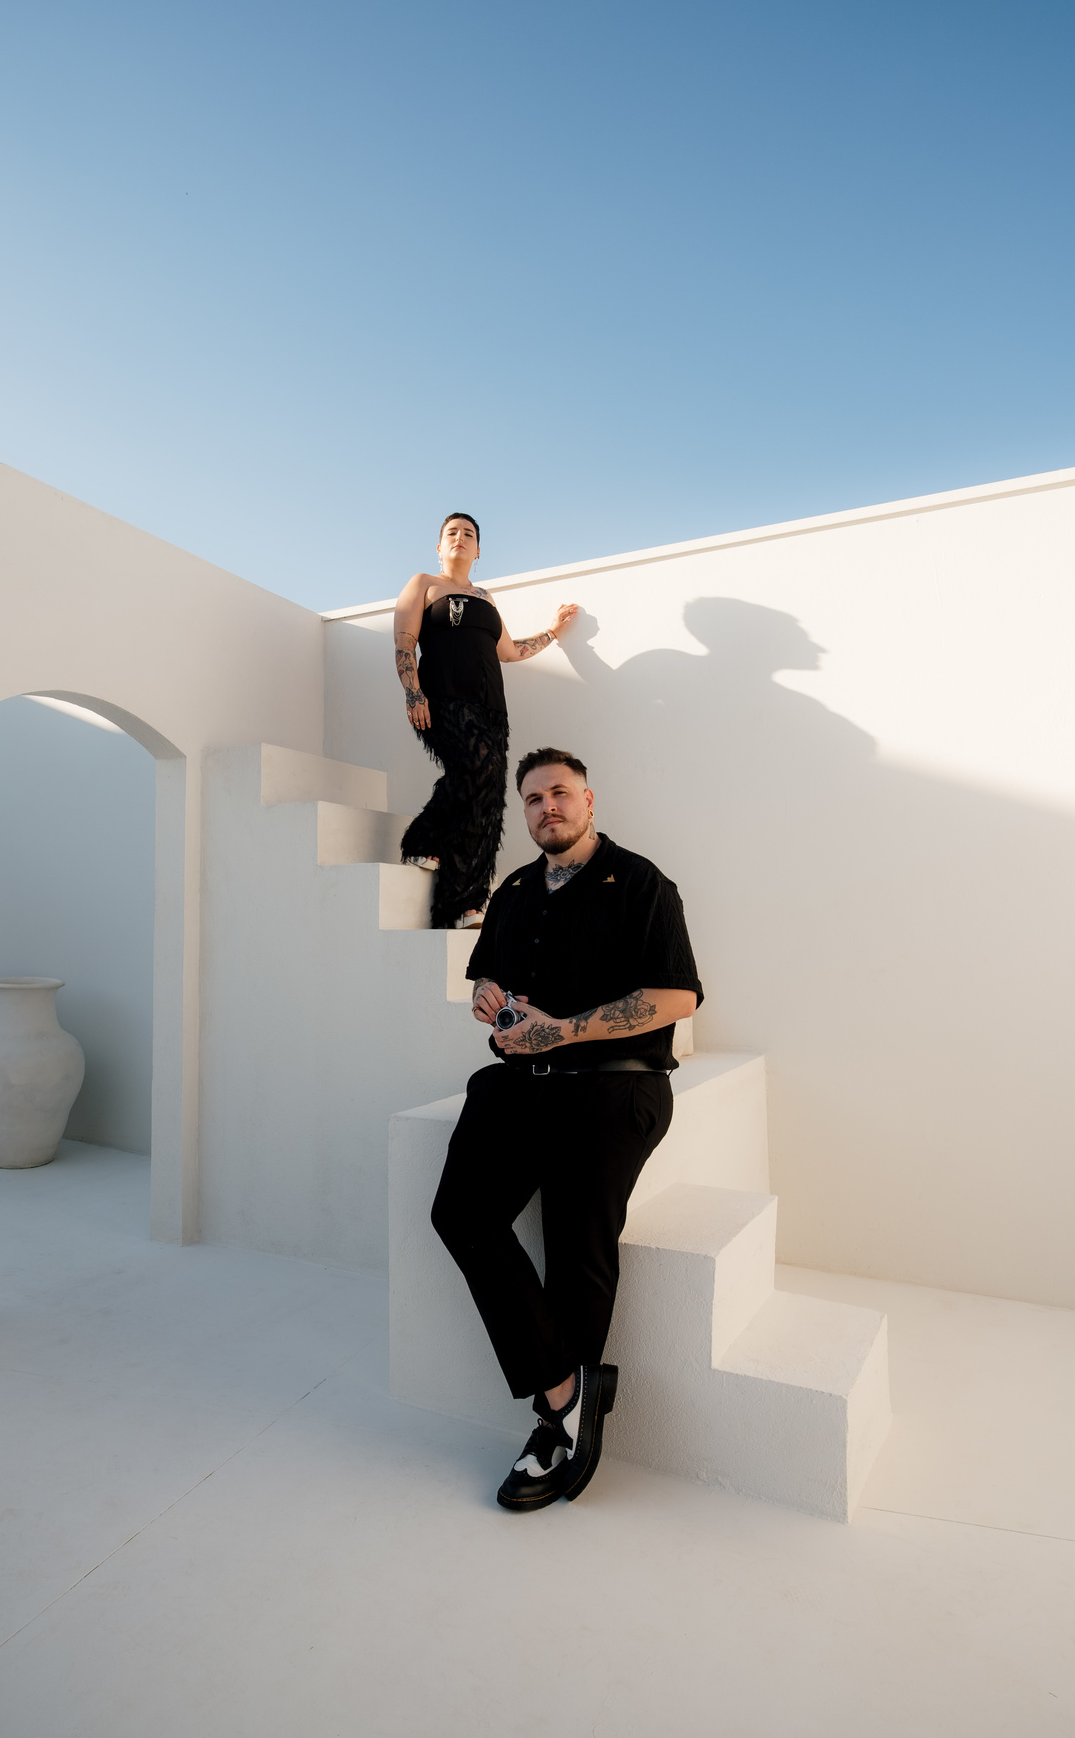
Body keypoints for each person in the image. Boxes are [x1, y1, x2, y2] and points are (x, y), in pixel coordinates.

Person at [430, 747, 703, 1511]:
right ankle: (565, 1386)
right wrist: (488, 997)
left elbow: (677, 996)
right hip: (521, 1084)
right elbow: (488, 978)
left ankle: (556, 1429)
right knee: (462, 1215)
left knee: (575, 1244)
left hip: (616, 1086)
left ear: (588, 800)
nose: (546, 806)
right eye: (532, 798)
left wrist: (563, 1031)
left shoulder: (641, 882)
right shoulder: (516, 889)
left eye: (559, 792)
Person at [394, 513, 578, 929]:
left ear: (478, 551)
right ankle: (422, 839)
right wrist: (413, 693)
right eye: (451, 532)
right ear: (439, 546)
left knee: (489, 794)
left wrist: (551, 633)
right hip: (442, 698)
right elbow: (404, 642)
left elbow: (508, 651)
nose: (460, 537)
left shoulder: (485, 597)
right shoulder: (423, 584)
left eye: (468, 533)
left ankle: (466, 903)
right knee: (483, 769)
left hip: (491, 707)